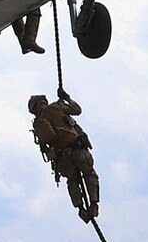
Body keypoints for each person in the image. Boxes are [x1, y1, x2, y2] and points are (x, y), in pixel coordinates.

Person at [29, 88, 100, 222]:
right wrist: (67, 97)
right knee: (89, 174)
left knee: (72, 181)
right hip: (78, 150)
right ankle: (94, 204)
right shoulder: (56, 107)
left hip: (62, 159)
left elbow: (45, 148)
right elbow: (77, 110)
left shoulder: (38, 124)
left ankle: (81, 209)